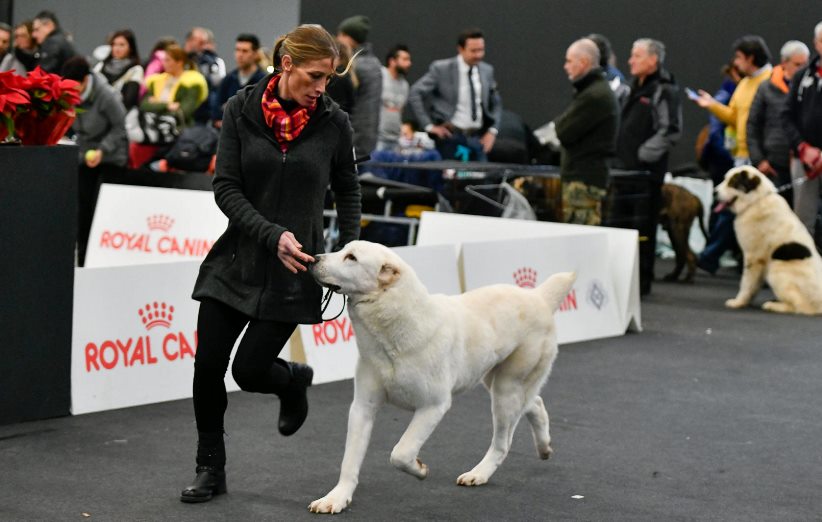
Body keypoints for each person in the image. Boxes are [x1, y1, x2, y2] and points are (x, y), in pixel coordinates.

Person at [181, 23, 362, 503]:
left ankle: (292, 380)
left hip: (294, 272)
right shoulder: (240, 109)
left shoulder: (334, 122)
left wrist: (352, 252)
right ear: (286, 65)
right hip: (235, 261)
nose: (321, 88)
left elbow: (347, 187)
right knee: (207, 368)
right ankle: (210, 468)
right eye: (315, 76)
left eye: (329, 80)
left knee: (249, 372)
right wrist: (270, 234)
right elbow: (226, 187)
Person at [693, 35, 772, 274]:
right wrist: (712, 105)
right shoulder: (745, 83)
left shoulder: (771, 80)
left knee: (739, 208)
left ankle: (711, 256)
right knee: (733, 208)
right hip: (741, 157)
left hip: (760, 158)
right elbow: (735, 116)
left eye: (739, 58)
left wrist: (765, 156)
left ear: (750, 57)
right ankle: (723, 258)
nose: (735, 64)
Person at [615, 38, 682, 295]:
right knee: (622, 227)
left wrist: (643, 155)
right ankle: (622, 279)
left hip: (646, 175)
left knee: (643, 229)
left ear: (653, 60)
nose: (631, 60)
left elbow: (671, 130)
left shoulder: (665, 90)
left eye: (637, 56)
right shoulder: (633, 88)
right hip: (624, 172)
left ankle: (641, 282)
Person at [61, 56, 128, 266]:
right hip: (85, 157)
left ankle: (102, 260)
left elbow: (120, 127)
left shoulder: (106, 96)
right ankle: (81, 261)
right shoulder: (70, 93)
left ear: (85, 80)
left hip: (110, 160)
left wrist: (102, 150)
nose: (73, 92)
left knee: (101, 212)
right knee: (83, 211)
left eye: (76, 87)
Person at [549, 38, 619, 225]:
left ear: (584, 63)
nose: (566, 66)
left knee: (581, 239)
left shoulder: (594, 95)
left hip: (583, 180)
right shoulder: (593, 91)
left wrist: (560, 124)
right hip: (585, 176)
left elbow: (563, 130)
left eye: (569, 61)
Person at [407, 28, 503, 162]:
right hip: (451, 138)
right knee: (452, 180)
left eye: (481, 50)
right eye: (473, 51)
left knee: (481, 180)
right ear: (461, 49)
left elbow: (496, 103)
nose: (478, 55)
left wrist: (492, 131)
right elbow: (415, 92)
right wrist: (429, 126)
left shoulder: (487, 70)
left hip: (477, 139)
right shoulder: (442, 69)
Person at [747, 40, 810, 206]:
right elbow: (752, 125)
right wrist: (759, 160)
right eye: (797, 64)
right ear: (784, 63)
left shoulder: (812, 88)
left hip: (806, 165)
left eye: (805, 64)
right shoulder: (766, 88)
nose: (803, 69)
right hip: (774, 166)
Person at [782, 21, 822, 240]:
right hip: (804, 159)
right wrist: (802, 147)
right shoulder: (802, 76)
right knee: (802, 225)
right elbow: (786, 116)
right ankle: (803, 273)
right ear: (816, 44)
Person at [336, 15, 382, 157]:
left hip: (353, 139)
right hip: (366, 139)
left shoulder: (354, 65)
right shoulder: (373, 63)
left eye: (339, 35)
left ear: (345, 35)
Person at [141, 44, 208, 129]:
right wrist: (167, 106)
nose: (164, 63)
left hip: (179, 129)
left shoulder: (192, 83)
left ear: (179, 62)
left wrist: (156, 104)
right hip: (153, 127)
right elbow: (143, 105)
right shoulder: (156, 81)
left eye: (168, 60)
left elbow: (183, 112)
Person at [212, 33, 266, 128]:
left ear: (255, 54)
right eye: (237, 50)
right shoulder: (228, 79)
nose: (240, 55)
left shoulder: (263, 81)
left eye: (245, 51)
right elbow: (216, 113)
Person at [93, 29, 144, 110]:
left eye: (122, 45)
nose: (117, 49)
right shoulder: (101, 66)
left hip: (123, 114)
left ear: (131, 48)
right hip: (99, 113)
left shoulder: (135, 70)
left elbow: (129, 100)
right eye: (114, 44)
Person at [185, 27, 227, 124]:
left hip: (203, 112)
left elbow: (218, 82)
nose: (204, 47)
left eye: (205, 43)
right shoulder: (178, 60)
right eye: (200, 43)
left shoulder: (211, 61)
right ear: (190, 41)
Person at [377, 44, 411, 151]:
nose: (409, 63)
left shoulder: (405, 85)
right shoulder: (379, 76)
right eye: (405, 59)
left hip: (395, 140)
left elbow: (400, 110)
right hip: (377, 138)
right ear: (392, 61)